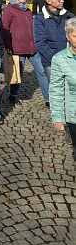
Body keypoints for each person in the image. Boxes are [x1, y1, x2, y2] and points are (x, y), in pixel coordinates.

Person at [2, 0, 47, 106]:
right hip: (17, 47)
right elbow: (5, 28)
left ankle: (48, 99)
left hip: (33, 47)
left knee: (42, 71)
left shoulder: (27, 10)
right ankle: (13, 95)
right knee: (18, 73)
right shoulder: (9, 10)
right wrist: (7, 45)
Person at [33, 0, 75, 85]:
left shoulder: (69, 16)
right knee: (56, 88)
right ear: (49, 1)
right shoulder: (40, 19)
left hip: (70, 59)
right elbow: (40, 42)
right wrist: (55, 58)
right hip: (50, 62)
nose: (62, 1)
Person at [49, 18, 76, 157]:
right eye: (75, 36)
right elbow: (56, 90)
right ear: (67, 36)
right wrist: (58, 116)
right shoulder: (60, 59)